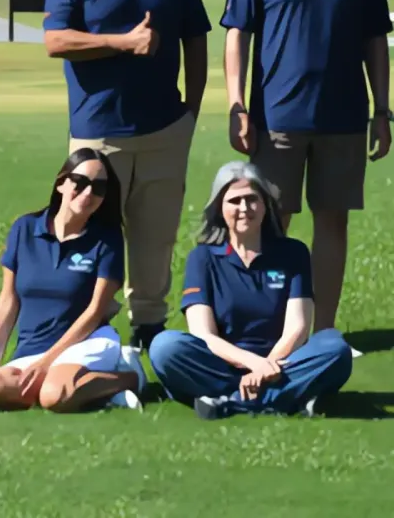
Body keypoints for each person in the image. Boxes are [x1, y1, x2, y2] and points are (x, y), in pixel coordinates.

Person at [221, 0, 392, 337]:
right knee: (271, 225)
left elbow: (375, 41)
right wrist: (237, 104)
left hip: (343, 117)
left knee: (332, 224)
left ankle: (324, 331)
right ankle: (273, 328)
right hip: (277, 118)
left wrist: (382, 110)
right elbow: (238, 34)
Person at [44, 0, 210, 352]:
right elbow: (55, 40)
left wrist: (192, 109)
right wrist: (121, 42)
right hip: (98, 133)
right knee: (90, 232)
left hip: (163, 129)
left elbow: (195, 38)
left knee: (155, 236)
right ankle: (90, 328)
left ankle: (149, 328)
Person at [148, 162, 355, 420]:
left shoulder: (293, 253)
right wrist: (252, 364)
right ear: (219, 208)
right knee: (164, 347)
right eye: (235, 201)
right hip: (222, 364)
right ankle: (282, 399)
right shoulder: (202, 258)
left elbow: (298, 328)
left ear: (266, 205)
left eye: (251, 200)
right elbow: (204, 335)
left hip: (283, 364)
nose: (244, 208)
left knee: (335, 349)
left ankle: (230, 402)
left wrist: (265, 369)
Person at [0, 149, 142, 413]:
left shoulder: (107, 239)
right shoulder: (25, 229)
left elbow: (95, 312)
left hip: (85, 341)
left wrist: (47, 362)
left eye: (99, 188)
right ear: (62, 182)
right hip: (33, 347)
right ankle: (85, 389)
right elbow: (8, 300)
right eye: (80, 182)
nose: (87, 193)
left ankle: (128, 377)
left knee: (53, 396)